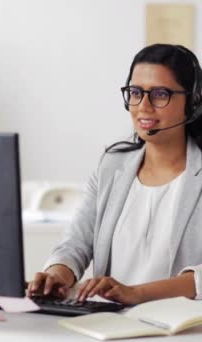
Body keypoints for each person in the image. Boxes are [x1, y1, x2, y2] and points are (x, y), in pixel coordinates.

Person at [27, 44, 202, 305]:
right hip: (109, 327)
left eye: (160, 94)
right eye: (135, 92)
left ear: (192, 102)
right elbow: (75, 244)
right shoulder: (112, 166)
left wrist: (135, 293)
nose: (143, 106)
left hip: (179, 329)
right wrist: (57, 275)